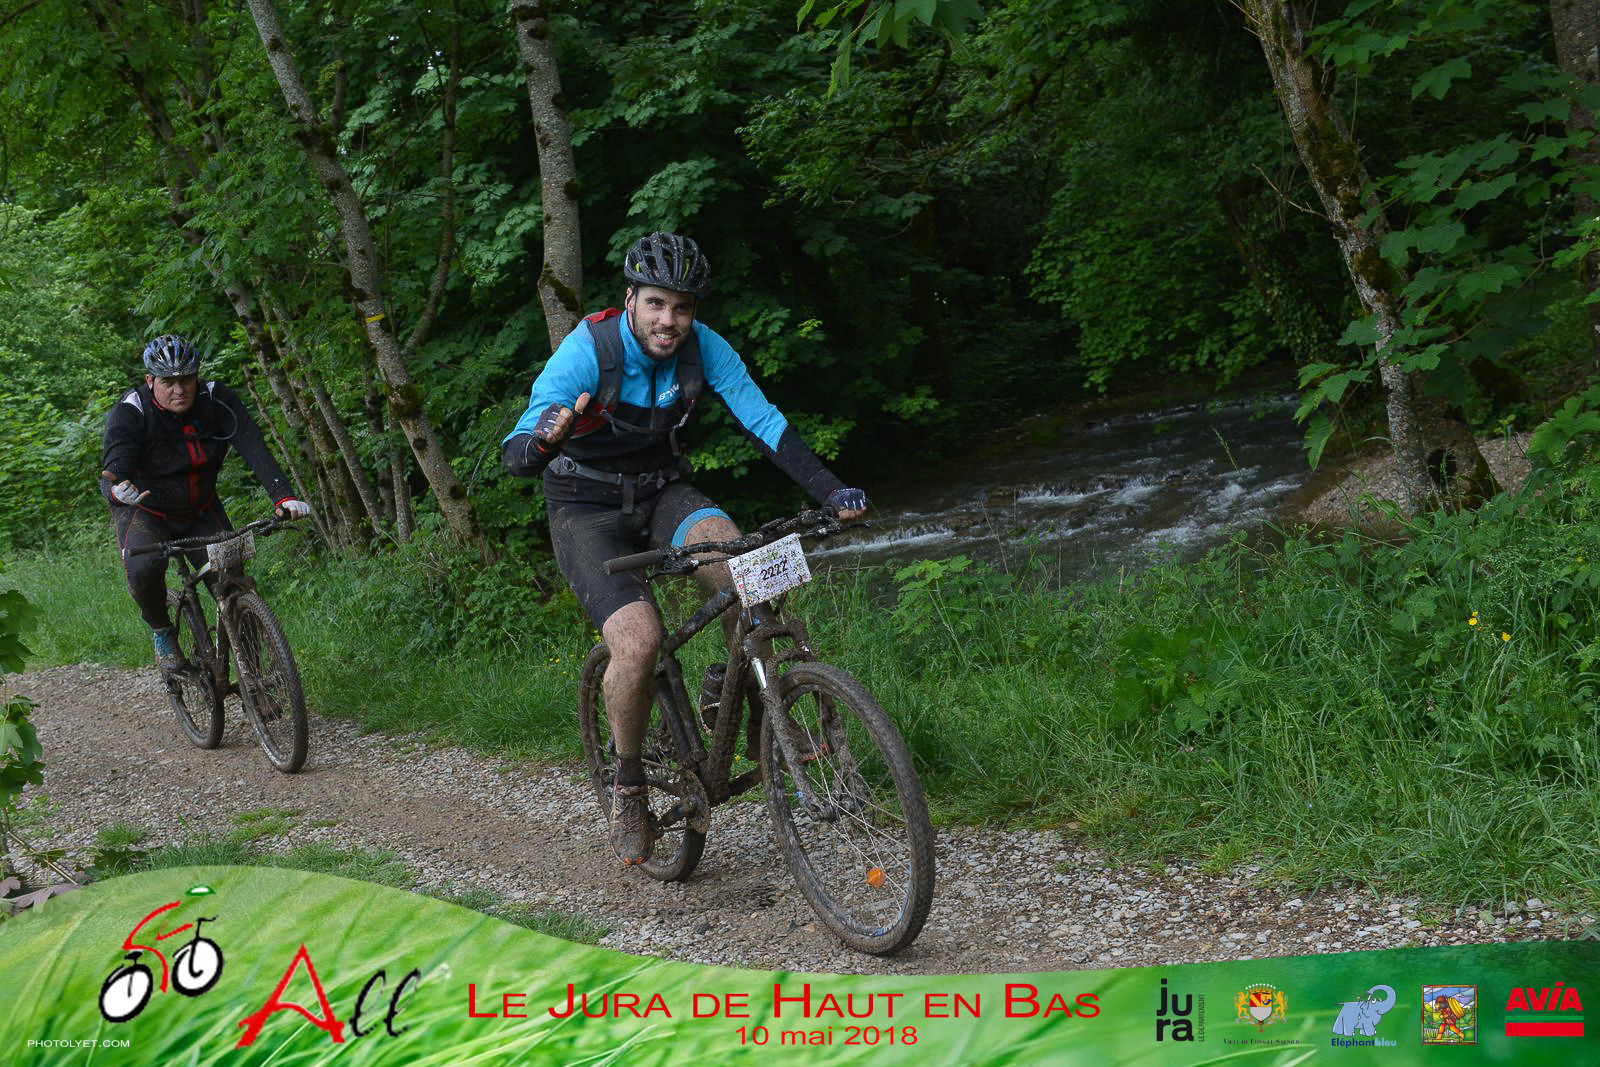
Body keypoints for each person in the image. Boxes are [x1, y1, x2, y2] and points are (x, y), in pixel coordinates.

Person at [503, 232, 867, 866]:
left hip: (661, 492)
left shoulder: (705, 348)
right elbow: (517, 454)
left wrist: (832, 490)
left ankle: (749, 701)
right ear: (631, 299)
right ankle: (627, 785)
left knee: (749, 571)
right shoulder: (590, 350)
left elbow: (764, 421)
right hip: (585, 509)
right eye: (656, 304)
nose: (668, 321)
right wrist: (543, 442)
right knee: (639, 643)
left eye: (682, 308)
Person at [101, 334, 312, 672]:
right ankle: (162, 631)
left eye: (186, 379)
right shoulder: (132, 411)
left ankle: (254, 678)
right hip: (146, 511)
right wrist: (117, 491)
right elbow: (114, 473)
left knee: (233, 583)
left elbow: (253, 446)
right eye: (168, 382)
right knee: (144, 569)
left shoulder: (217, 400)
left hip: (201, 508)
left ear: (197, 376)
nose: (179, 390)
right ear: (150, 380)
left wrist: (283, 496)